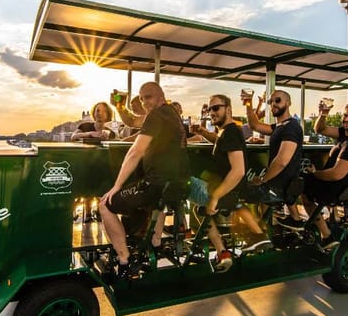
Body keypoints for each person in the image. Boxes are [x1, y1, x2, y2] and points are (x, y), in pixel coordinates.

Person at [99, 82, 190, 279]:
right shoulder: (170, 113)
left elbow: (136, 152)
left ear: (161, 96)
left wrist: (117, 186)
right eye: (141, 98)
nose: (144, 101)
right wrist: (120, 107)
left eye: (148, 97)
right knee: (154, 202)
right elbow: (133, 121)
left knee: (105, 204)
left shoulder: (157, 115)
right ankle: (154, 245)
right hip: (177, 184)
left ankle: (124, 260)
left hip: (156, 184)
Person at [188, 94, 246, 272]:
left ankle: (158, 237)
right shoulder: (226, 131)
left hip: (225, 191)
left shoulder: (232, 131)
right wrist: (203, 133)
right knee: (199, 208)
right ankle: (222, 252)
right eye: (209, 108)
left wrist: (215, 197)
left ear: (228, 109)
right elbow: (220, 142)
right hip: (224, 189)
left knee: (177, 181)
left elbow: (239, 170)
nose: (211, 112)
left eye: (215, 108)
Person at [304, 101, 348, 250]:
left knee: (301, 190)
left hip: (334, 187)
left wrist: (315, 173)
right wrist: (324, 114)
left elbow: (335, 174)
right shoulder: (346, 134)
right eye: (345, 115)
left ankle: (326, 236)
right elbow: (320, 129)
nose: (346, 119)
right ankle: (332, 219)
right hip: (341, 187)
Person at [243, 89, 305, 232]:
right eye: (271, 102)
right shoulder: (280, 126)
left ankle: (258, 233)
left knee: (239, 194)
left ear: (288, 103)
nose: (273, 104)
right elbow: (255, 125)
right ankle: (266, 228)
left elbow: (282, 161)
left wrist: (263, 179)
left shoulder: (291, 127)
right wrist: (248, 103)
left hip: (279, 185)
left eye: (278, 100)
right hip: (279, 184)